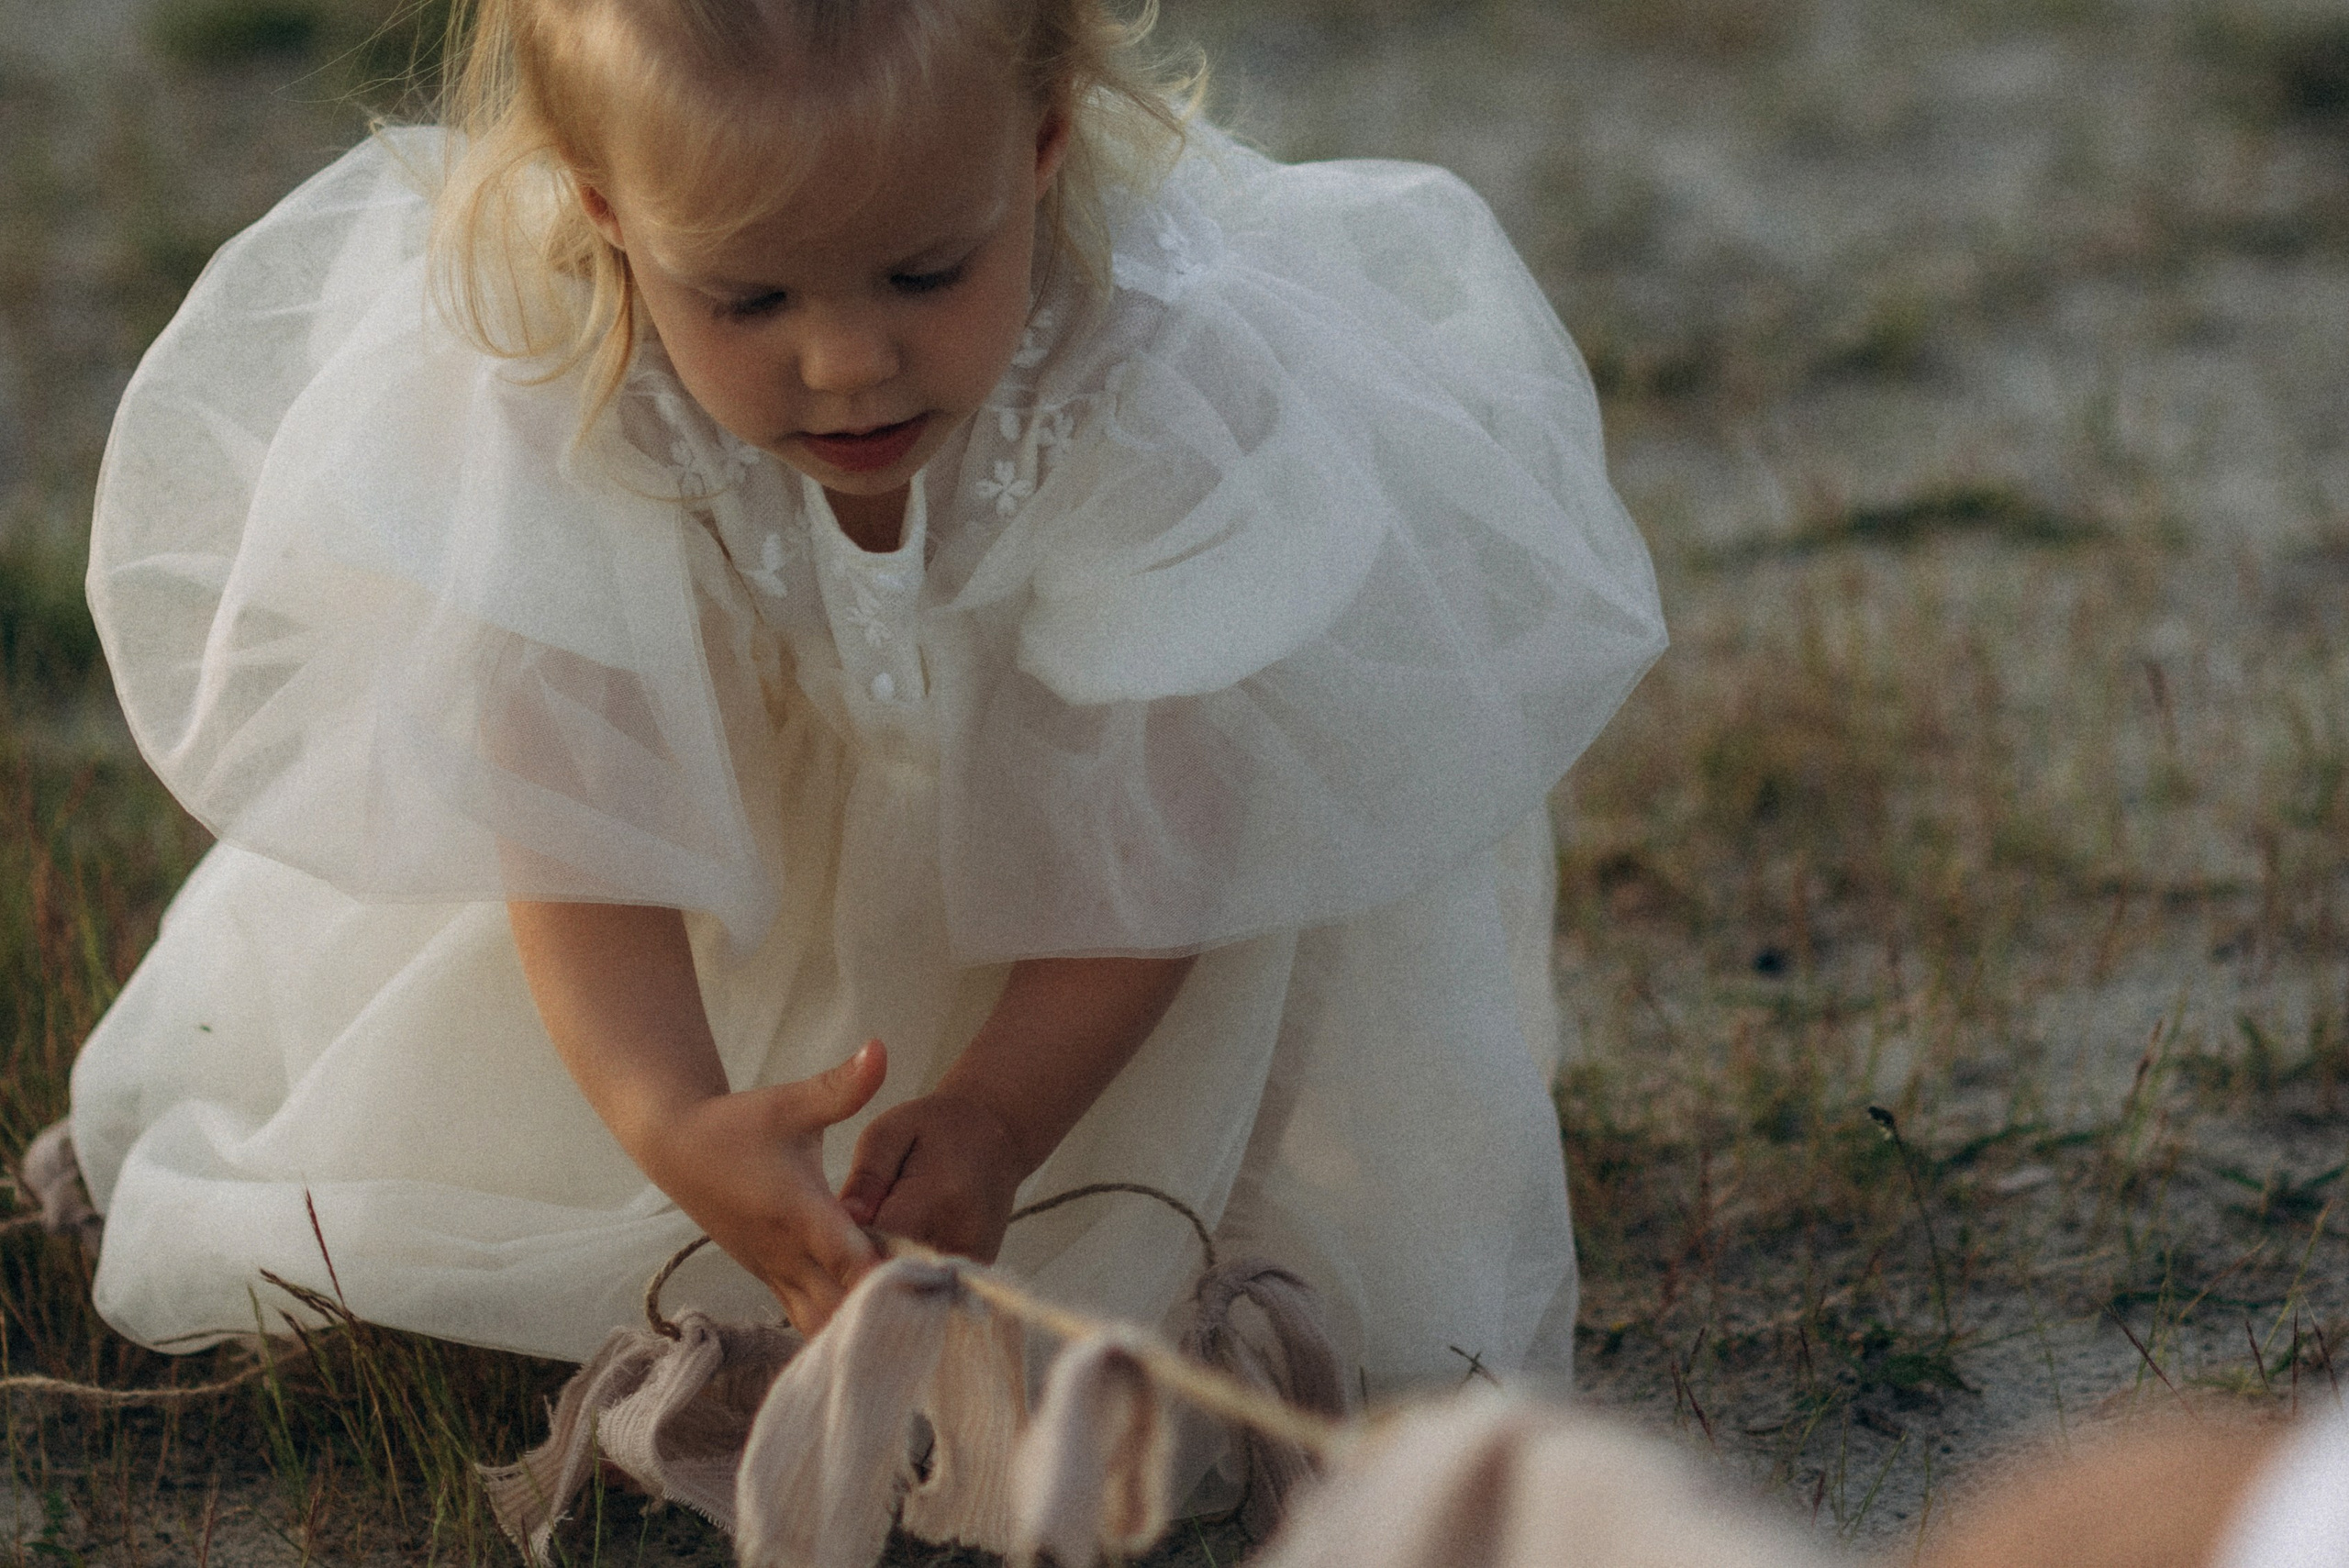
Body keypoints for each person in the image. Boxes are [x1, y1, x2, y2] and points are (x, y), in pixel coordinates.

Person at [69, 0, 1664, 1407]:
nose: (846, 361)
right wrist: (675, 1114)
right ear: (607, 211)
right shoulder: (560, 403)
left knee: (1148, 1287)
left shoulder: (1153, 388)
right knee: (468, 1215)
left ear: (1039, 147)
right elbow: (566, 824)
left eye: (923, 271)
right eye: (750, 300)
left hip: (1096, 948)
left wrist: (995, 1112)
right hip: (674, 919)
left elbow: (1164, 826)